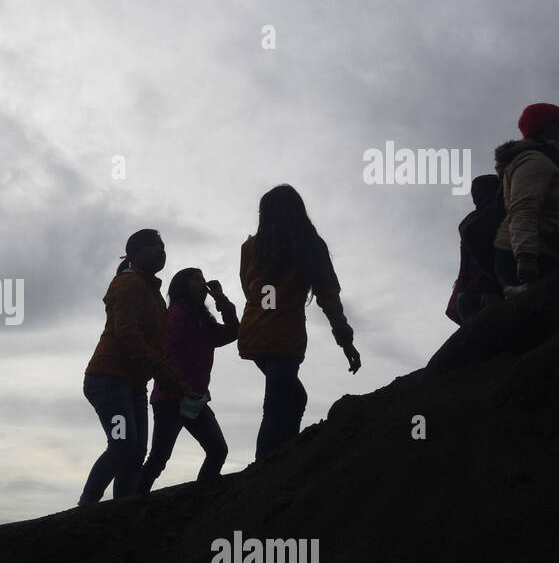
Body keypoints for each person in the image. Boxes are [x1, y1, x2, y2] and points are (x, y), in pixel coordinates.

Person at [237, 185, 361, 460]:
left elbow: (248, 288)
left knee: (293, 399)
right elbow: (328, 295)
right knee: (277, 404)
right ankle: (267, 469)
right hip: (283, 336)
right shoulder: (309, 245)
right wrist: (345, 341)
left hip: (253, 332)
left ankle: (283, 457)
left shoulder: (251, 248)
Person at [77, 229, 182, 506]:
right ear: (134, 254)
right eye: (153, 246)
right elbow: (128, 334)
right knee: (123, 445)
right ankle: (86, 506)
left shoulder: (154, 294)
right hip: (108, 378)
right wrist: (162, 372)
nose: (161, 251)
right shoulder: (127, 284)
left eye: (163, 246)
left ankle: (122, 510)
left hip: (134, 384)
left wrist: (163, 372)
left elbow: (155, 344)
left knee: (135, 452)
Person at [138, 268, 238, 493]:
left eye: (203, 278)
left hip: (195, 400)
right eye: (196, 279)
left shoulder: (204, 321)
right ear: (183, 286)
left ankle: (200, 499)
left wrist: (221, 298)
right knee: (159, 458)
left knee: (217, 450)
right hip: (171, 397)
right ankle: (130, 503)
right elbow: (168, 352)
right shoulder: (176, 314)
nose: (202, 283)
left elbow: (233, 331)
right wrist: (181, 385)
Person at [492, 103, 559, 294]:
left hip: (551, 252)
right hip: (538, 256)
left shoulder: (551, 163)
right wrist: (526, 257)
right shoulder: (534, 160)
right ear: (541, 128)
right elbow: (523, 208)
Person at [447, 174, 504, 324]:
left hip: (469, 294)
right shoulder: (489, 218)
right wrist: (489, 288)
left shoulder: (471, 221)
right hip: (480, 293)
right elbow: (483, 257)